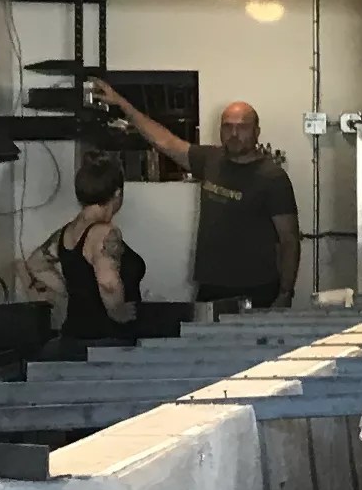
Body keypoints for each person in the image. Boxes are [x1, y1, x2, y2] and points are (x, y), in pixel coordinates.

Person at [87, 78, 301, 308]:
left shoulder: (273, 178)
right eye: (227, 126)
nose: (234, 133)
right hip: (211, 287)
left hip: (257, 290)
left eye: (242, 127)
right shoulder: (210, 159)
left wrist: (285, 293)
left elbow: (289, 240)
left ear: (257, 131)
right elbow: (164, 140)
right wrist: (121, 103)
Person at [20, 155, 149, 342]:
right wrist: (117, 312)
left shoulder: (67, 232)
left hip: (74, 335)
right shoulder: (105, 233)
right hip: (107, 339)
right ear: (117, 193)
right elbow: (108, 283)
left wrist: (70, 289)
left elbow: (35, 263)